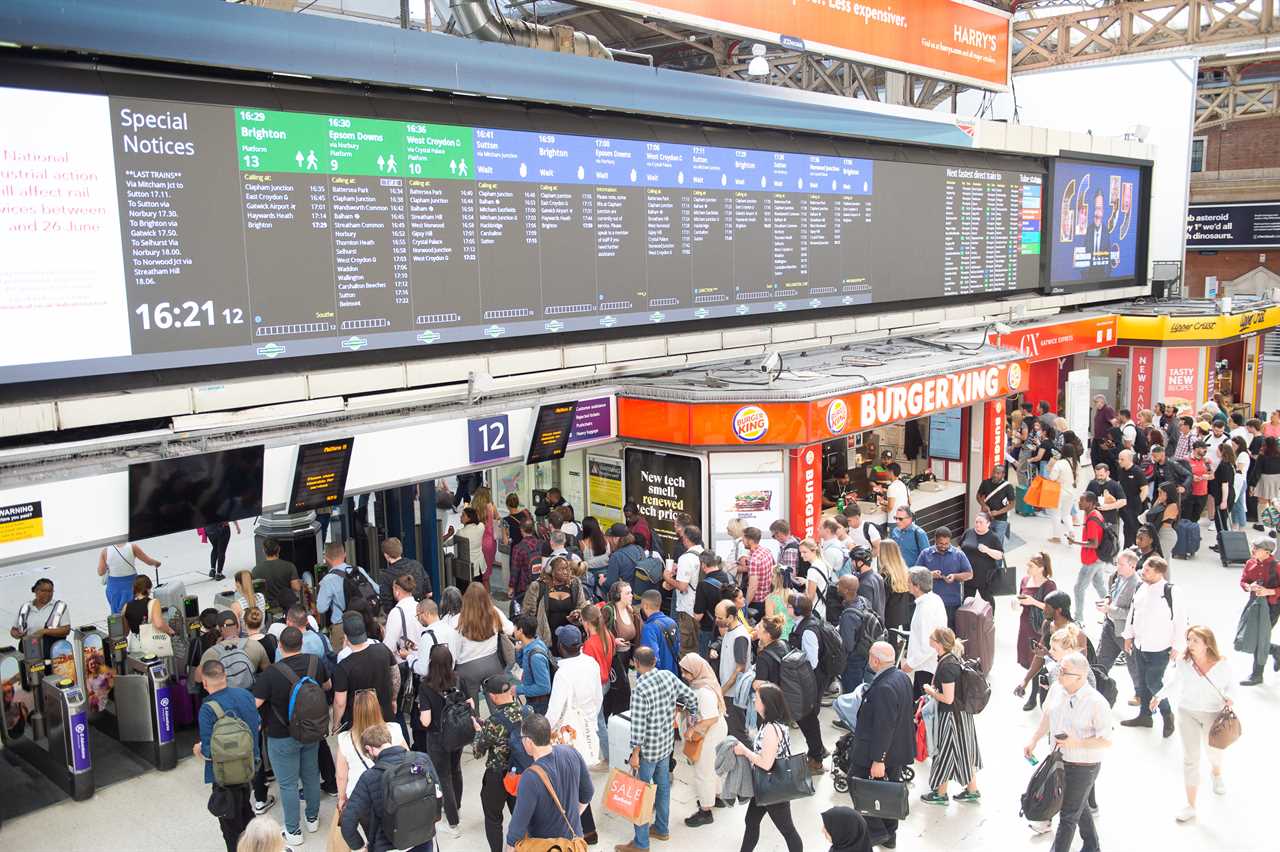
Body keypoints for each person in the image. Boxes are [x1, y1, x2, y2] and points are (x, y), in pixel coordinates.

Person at [1023, 653, 1112, 852]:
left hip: (1084, 766)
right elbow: (1047, 717)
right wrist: (1034, 739)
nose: (1058, 674)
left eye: (1063, 672)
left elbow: (1106, 740)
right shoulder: (1056, 689)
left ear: (1080, 677)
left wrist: (1077, 742)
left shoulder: (1096, 703)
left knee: (1068, 814)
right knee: (1077, 806)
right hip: (1060, 761)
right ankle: (1092, 846)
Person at [253, 626, 330, 847]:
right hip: (311, 730)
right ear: (301, 644)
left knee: (287, 784)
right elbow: (327, 686)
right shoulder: (315, 663)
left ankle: (294, 831)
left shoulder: (271, 674)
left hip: (281, 736)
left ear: (279, 646)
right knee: (311, 775)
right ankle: (313, 819)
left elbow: (255, 704)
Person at [616, 646, 698, 852]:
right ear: (654, 661)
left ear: (635, 663)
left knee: (641, 794)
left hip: (647, 752)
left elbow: (638, 726)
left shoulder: (641, 689)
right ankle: (661, 828)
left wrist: (635, 753)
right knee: (662, 788)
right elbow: (691, 697)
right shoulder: (668, 676)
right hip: (666, 744)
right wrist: (687, 715)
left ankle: (641, 843)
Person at [1152, 626, 1234, 822]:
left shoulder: (1221, 663)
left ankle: (1216, 772)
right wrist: (1159, 696)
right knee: (1191, 758)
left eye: (1195, 640)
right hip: (1187, 711)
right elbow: (1174, 682)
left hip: (1212, 713)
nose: (1190, 644)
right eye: (1188, 639)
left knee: (1213, 751)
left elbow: (1231, 685)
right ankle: (1191, 805)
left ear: (1207, 643)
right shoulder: (1183, 662)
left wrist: (1230, 698)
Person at [850, 642, 914, 849]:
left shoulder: (884, 687)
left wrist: (879, 759)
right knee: (888, 792)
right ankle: (889, 836)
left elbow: (884, 726)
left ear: (875, 660)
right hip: (895, 750)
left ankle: (878, 833)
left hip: (876, 752)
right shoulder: (901, 677)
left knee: (857, 783)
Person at [339, 724, 442, 852]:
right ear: (388, 740)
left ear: (369, 749)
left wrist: (359, 847)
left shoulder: (369, 777)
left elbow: (348, 821)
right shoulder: (422, 759)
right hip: (424, 839)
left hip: (389, 845)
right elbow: (438, 794)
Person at [195, 659, 261, 852]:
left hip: (224, 776)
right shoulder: (245, 695)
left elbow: (209, 751)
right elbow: (257, 724)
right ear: (225, 676)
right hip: (249, 767)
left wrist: (198, 749)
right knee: (245, 811)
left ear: (205, 683)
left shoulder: (207, 709)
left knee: (231, 828)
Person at [731, 682, 804, 852]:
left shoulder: (771, 728)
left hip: (773, 788)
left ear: (766, 703)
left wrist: (744, 751)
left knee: (787, 830)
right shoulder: (773, 723)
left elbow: (766, 763)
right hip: (766, 785)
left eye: (756, 698)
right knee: (751, 822)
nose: (753, 700)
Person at [505, 714, 594, 851]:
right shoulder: (571, 752)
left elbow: (516, 830)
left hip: (547, 847)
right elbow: (588, 793)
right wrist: (570, 818)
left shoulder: (530, 777)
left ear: (529, 741)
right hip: (573, 844)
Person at [1121, 556, 1186, 738]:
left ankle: (1167, 714)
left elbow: (1180, 620)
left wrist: (1177, 646)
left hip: (1160, 647)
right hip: (1140, 644)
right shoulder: (1141, 587)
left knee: (1154, 682)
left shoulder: (1172, 591)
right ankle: (1145, 716)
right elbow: (1133, 614)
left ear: (1159, 572)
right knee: (1142, 682)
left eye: (1148, 570)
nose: (1143, 572)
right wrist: (1128, 635)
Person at [919, 628, 982, 805]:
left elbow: (948, 698)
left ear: (938, 643)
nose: (929, 638)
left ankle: (940, 794)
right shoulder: (952, 659)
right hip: (961, 716)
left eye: (932, 637)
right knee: (964, 752)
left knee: (944, 753)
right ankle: (971, 789)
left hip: (951, 717)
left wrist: (930, 690)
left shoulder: (947, 666)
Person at [473, 675, 530, 852]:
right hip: (522, 773)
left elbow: (477, 752)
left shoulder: (493, 721)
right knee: (521, 817)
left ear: (492, 696)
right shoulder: (528, 711)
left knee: (493, 819)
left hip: (497, 776)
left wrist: (478, 731)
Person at [416, 644, 465, 837]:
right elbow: (468, 703)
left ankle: (453, 824)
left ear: (431, 663)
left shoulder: (426, 687)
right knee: (456, 770)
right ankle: (457, 808)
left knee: (443, 777)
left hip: (437, 738)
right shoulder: (458, 679)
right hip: (458, 733)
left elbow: (425, 720)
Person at [335, 689, 406, 817]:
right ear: (378, 709)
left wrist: (341, 798)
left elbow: (341, 776)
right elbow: (406, 758)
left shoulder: (344, 739)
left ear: (355, 712)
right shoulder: (394, 729)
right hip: (391, 793)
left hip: (360, 797)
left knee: (371, 833)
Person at [546, 624, 604, 779]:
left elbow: (554, 711)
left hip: (569, 734)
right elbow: (598, 697)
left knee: (570, 780)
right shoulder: (592, 663)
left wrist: (544, 731)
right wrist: (590, 718)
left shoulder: (563, 674)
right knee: (583, 778)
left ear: (561, 647)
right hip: (589, 727)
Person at [677, 653, 727, 828]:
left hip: (709, 734)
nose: (684, 675)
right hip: (717, 731)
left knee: (703, 772)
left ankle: (705, 811)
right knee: (714, 768)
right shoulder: (707, 682)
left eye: (687, 672)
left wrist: (691, 730)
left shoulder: (703, 692)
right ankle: (718, 796)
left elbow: (709, 718)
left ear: (696, 671)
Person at [331, 610, 396, 733]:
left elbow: (340, 702)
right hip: (384, 715)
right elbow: (395, 675)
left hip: (357, 722)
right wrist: (393, 699)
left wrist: (336, 723)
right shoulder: (382, 649)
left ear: (346, 636)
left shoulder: (343, 666)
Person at [786, 594, 829, 774]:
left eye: (789, 606)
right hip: (809, 678)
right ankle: (818, 749)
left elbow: (811, 661)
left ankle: (816, 759)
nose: (786, 608)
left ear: (797, 610)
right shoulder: (806, 623)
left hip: (810, 680)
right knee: (808, 718)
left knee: (806, 718)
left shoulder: (808, 630)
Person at [454, 583, 514, 708]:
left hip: (467, 668)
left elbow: (453, 647)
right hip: (492, 663)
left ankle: (477, 725)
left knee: (471, 707)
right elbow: (510, 629)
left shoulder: (458, 619)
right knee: (498, 705)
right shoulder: (494, 612)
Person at [1015, 590, 1072, 712]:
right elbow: (1039, 656)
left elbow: (1079, 664)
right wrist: (1025, 681)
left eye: (1047, 607)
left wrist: (1049, 655)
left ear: (1059, 610)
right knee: (1046, 711)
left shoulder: (1074, 632)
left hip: (1069, 686)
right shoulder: (1047, 624)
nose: (1043, 610)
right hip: (1050, 679)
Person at [1095, 549, 1141, 700]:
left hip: (1124, 632)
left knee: (1133, 664)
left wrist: (1110, 610)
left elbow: (1132, 613)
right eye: (1117, 564)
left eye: (1121, 564)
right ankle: (1096, 687)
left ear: (1132, 566)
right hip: (1109, 625)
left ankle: (1140, 694)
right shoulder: (1118, 577)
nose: (1117, 567)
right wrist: (1107, 600)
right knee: (1101, 659)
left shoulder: (1137, 585)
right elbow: (1112, 592)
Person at [1237, 538, 1280, 685]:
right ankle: (1275, 650)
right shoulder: (1250, 563)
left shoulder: (1277, 566)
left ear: (1267, 552)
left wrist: (1269, 591)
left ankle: (1257, 675)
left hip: (1272, 607)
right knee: (1253, 636)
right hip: (1254, 604)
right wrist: (1249, 587)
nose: (1253, 550)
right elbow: (1243, 581)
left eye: (1256, 548)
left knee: (1260, 638)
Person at [522, 556, 587, 651]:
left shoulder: (575, 584)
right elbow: (528, 613)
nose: (565, 572)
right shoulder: (538, 587)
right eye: (561, 569)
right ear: (551, 571)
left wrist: (577, 613)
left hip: (569, 636)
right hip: (546, 636)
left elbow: (582, 606)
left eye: (567, 568)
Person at [901, 567, 947, 699]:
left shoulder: (925, 609)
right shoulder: (934, 599)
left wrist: (910, 664)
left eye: (909, 582)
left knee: (924, 711)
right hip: (926, 665)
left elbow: (929, 645)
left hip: (927, 667)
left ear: (917, 586)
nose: (907, 585)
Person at [914, 527, 971, 628]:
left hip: (951, 603)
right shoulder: (925, 554)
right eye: (941, 543)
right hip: (929, 602)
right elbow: (915, 574)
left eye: (946, 544)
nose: (944, 546)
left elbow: (969, 574)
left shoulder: (958, 554)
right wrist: (930, 574)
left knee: (949, 633)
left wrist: (955, 576)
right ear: (935, 540)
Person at [196, 610, 270, 688]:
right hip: (250, 696)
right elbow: (268, 672)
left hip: (225, 698)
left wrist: (216, 646)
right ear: (238, 626)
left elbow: (198, 679)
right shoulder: (255, 645)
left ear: (219, 628)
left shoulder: (211, 653)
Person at [715, 600, 754, 745]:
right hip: (728, 693)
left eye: (720, 617)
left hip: (733, 695)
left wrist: (721, 691)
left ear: (731, 617)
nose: (717, 620)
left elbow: (739, 670)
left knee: (738, 733)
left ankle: (756, 763)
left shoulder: (739, 637)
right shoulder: (730, 631)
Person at [580, 604, 614, 766]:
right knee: (601, 721)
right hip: (605, 682)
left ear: (586, 622)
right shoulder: (607, 635)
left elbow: (586, 670)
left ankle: (608, 758)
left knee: (599, 723)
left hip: (596, 685)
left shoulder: (589, 645)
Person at [1066, 492, 1111, 618]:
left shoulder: (1092, 519)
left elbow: (1094, 544)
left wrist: (1074, 542)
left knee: (1079, 588)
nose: (1079, 503)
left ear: (1090, 503)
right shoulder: (1094, 514)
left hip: (1091, 560)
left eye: (1082, 501)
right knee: (1099, 585)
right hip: (1097, 559)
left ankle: (1078, 617)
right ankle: (1110, 612)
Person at [315, 542, 378, 628]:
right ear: (345, 554)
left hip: (343, 626)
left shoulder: (327, 580)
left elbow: (321, 608)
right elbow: (377, 589)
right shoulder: (358, 570)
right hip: (366, 621)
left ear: (326, 558)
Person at [665, 524, 704, 655]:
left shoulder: (686, 558)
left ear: (686, 539)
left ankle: (686, 674)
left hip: (687, 607)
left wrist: (667, 578)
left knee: (686, 649)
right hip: (702, 607)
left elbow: (682, 586)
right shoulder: (705, 554)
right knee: (699, 646)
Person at [602, 581, 639, 716]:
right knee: (620, 690)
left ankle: (614, 719)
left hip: (626, 656)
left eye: (631, 592)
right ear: (618, 595)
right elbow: (599, 632)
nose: (631, 595)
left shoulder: (630, 609)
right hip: (613, 657)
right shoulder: (609, 610)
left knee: (618, 690)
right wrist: (614, 640)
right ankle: (612, 719)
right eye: (627, 593)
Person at [10, 577, 70, 659]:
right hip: (29, 650)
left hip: (53, 652)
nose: (47, 594)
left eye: (50, 591)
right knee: (32, 671)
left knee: (51, 671)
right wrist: (17, 634)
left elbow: (66, 630)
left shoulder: (59, 607)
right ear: (35, 591)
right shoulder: (25, 607)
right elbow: (13, 630)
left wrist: (44, 631)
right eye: (43, 591)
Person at [97, 541, 161, 615]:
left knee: (117, 615)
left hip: (114, 587)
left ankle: (119, 626)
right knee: (133, 612)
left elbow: (100, 572)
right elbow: (148, 561)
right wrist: (157, 563)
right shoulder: (132, 547)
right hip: (131, 584)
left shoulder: (105, 551)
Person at [836, 575, 874, 693]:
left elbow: (848, 646)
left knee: (851, 695)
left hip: (853, 662)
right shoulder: (864, 601)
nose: (837, 586)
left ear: (846, 590)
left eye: (840, 585)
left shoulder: (848, 616)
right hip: (865, 653)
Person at [958, 512, 1003, 609]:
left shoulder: (993, 537)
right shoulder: (968, 532)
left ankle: (990, 621)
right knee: (967, 600)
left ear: (988, 524)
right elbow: (960, 547)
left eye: (981, 522)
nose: (977, 524)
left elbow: (1000, 555)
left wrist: (987, 550)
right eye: (976, 522)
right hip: (969, 575)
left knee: (987, 600)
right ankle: (965, 620)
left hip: (985, 577)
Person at [694, 551, 734, 657]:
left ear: (703, 565)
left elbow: (698, 615)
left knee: (706, 660)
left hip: (709, 629)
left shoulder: (703, 585)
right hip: (726, 626)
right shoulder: (727, 577)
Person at [512, 613, 553, 715]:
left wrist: (518, 689)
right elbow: (523, 665)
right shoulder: (534, 643)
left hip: (539, 704)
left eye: (515, 628)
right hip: (534, 699)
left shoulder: (535, 657)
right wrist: (520, 651)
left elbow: (544, 688)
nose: (513, 631)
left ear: (521, 630)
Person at [637, 589, 680, 675]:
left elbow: (650, 659)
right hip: (673, 675)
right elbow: (677, 648)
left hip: (658, 679)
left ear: (645, 606)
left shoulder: (649, 628)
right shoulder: (672, 622)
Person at [379, 537, 428, 611]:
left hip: (400, 615)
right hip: (421, 613)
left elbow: (386, 603)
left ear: (386, 555)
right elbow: (429, 593)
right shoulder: (417, 565)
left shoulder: (386, 575)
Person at [252, 538, 301, 612]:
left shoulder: (256, 570)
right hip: (287, 606)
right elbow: (296, 588)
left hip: (268, 608)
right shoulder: (289, 566)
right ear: (278, 549)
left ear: (264, 551)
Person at [122, 575, 176, 642]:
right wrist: (171, 631)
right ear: (148, 588)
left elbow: (125, 632)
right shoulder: (154, 603)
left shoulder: (126, 606)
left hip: (135, 644)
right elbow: (159, 624)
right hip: (151, 644)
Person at [876, 540, 914, 636]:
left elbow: (882, 601)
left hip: (889, 619)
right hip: (904, 616)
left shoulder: (884, 576)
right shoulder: (905, 571)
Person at [1045, 445, 1080, 544]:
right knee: (1066, 514)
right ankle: (1071, 532)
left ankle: (1056, 537)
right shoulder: (1076, 463)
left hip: (1059, 492)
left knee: (1055, 514)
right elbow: (1077, 479)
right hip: (1071, 492)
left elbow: (1052, 478)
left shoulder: (1059, 463)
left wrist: (1050, 468)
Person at [741, 527, 776, 621]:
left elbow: (753, 586)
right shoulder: (766, 551)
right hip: (767, 598)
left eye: (743, 538)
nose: (741, 540)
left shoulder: (754, 560)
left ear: (750, 540)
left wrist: (745, 605)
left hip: (756, 602)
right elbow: (773, 569)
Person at [1114, 449, 1148, 548]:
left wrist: (1137, 504)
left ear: (1129, 459)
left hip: (1134, 507)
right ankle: (1127, 549)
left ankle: (1132, 550)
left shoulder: (1137, 472)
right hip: (1124, 505)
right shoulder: (1120, 470)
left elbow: (1145, 490)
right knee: (1127, 529)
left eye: (1122, 459)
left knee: (1133, 530)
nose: (1119, 461)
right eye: (1119, 459)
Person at [976, 463, 1013, 545]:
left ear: (1003, 474)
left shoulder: (1008, 487)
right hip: (987, 517)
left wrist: (998, 512)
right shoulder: (985, 483)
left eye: (998, 473)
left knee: (997, 543)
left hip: (1001, 519)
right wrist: (984, 505)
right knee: (984, 541)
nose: (995, 475)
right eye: (994, 472)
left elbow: (1012, 504)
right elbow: (978, 496)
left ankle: (998, 557)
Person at [509, 518, 543, 605]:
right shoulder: (542, 543)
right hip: (540, 583)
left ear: (521, 530)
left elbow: (515, 570)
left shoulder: (518, 548)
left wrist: (511, 587)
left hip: (524, 586)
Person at [603, 524, 647, 591]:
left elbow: (610, 584)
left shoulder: (616, 556)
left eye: (610, 539)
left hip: (625, 595)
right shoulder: (639, 549)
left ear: (616, 539)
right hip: (639, 593)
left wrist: (603, 582)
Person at [1147, 482, 1181, 560]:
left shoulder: (1173, 506)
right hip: (1159, 533)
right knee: (1164, 563)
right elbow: (1152, 511)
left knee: (1157, 561)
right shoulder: (1163, 503)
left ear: (1167, 493)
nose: (1159, 494)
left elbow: (1155, 518)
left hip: (1167, 535)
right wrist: (1159, 499)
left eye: (1161, 492)